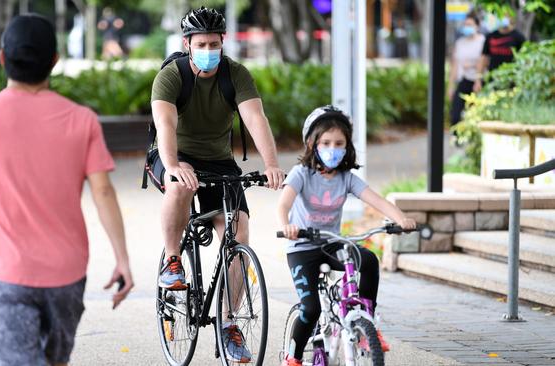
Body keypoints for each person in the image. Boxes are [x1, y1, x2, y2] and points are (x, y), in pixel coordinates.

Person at [0, 14, 133, 365]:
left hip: (7, 275)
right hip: (67, 275)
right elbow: (103, 192)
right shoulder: (82, 119)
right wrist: (122, 258)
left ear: (2, 58)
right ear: (54, 61)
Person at [149, 6, 285, 363]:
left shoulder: (235, 74)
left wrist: (271, 165)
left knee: (239, 233)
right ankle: (173, 262)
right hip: (172, 153)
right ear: (187, 43)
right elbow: (164, 125)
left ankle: (228, 324)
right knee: (179, 186)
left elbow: (256, 118)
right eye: (201, 43)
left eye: (214, 43)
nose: (209, 49)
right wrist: (174, 165)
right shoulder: (170, 75)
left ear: (223, 42)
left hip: (218, 160)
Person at [277, 106, 416, 366]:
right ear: (312, 143)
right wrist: (287, 225)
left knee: (369, 260)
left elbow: (377, 200)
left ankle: (367, 322)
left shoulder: (346, 178)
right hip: (302, 248)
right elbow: (283, 204)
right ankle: (293, 358)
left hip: (332, 244)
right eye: (326, 142)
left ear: (347, 147)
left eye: (339, 143)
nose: (333, 148)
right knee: (311, 309)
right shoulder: (301, 174)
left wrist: (401, 219)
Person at [448, 13, 485, 126]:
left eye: (470, 24)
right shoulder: (460, 43)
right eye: (465, 25)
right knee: (455, 114)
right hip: (462, 80)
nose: (467, 27)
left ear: (477, 26)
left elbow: (485, 61)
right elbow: (455, 64)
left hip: (477, 82)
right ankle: (457, 139)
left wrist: (473, 67)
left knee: (475, 113)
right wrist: (450, 85)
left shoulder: (483, 41)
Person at [473, 14, 525, 93]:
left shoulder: (518, 37)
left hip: (512, 80)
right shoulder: (491, 36)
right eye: (502, 15)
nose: (504, 18)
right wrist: (478, 80)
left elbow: (525, 59)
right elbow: (483, 58)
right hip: (493, 80)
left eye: (507, 16)